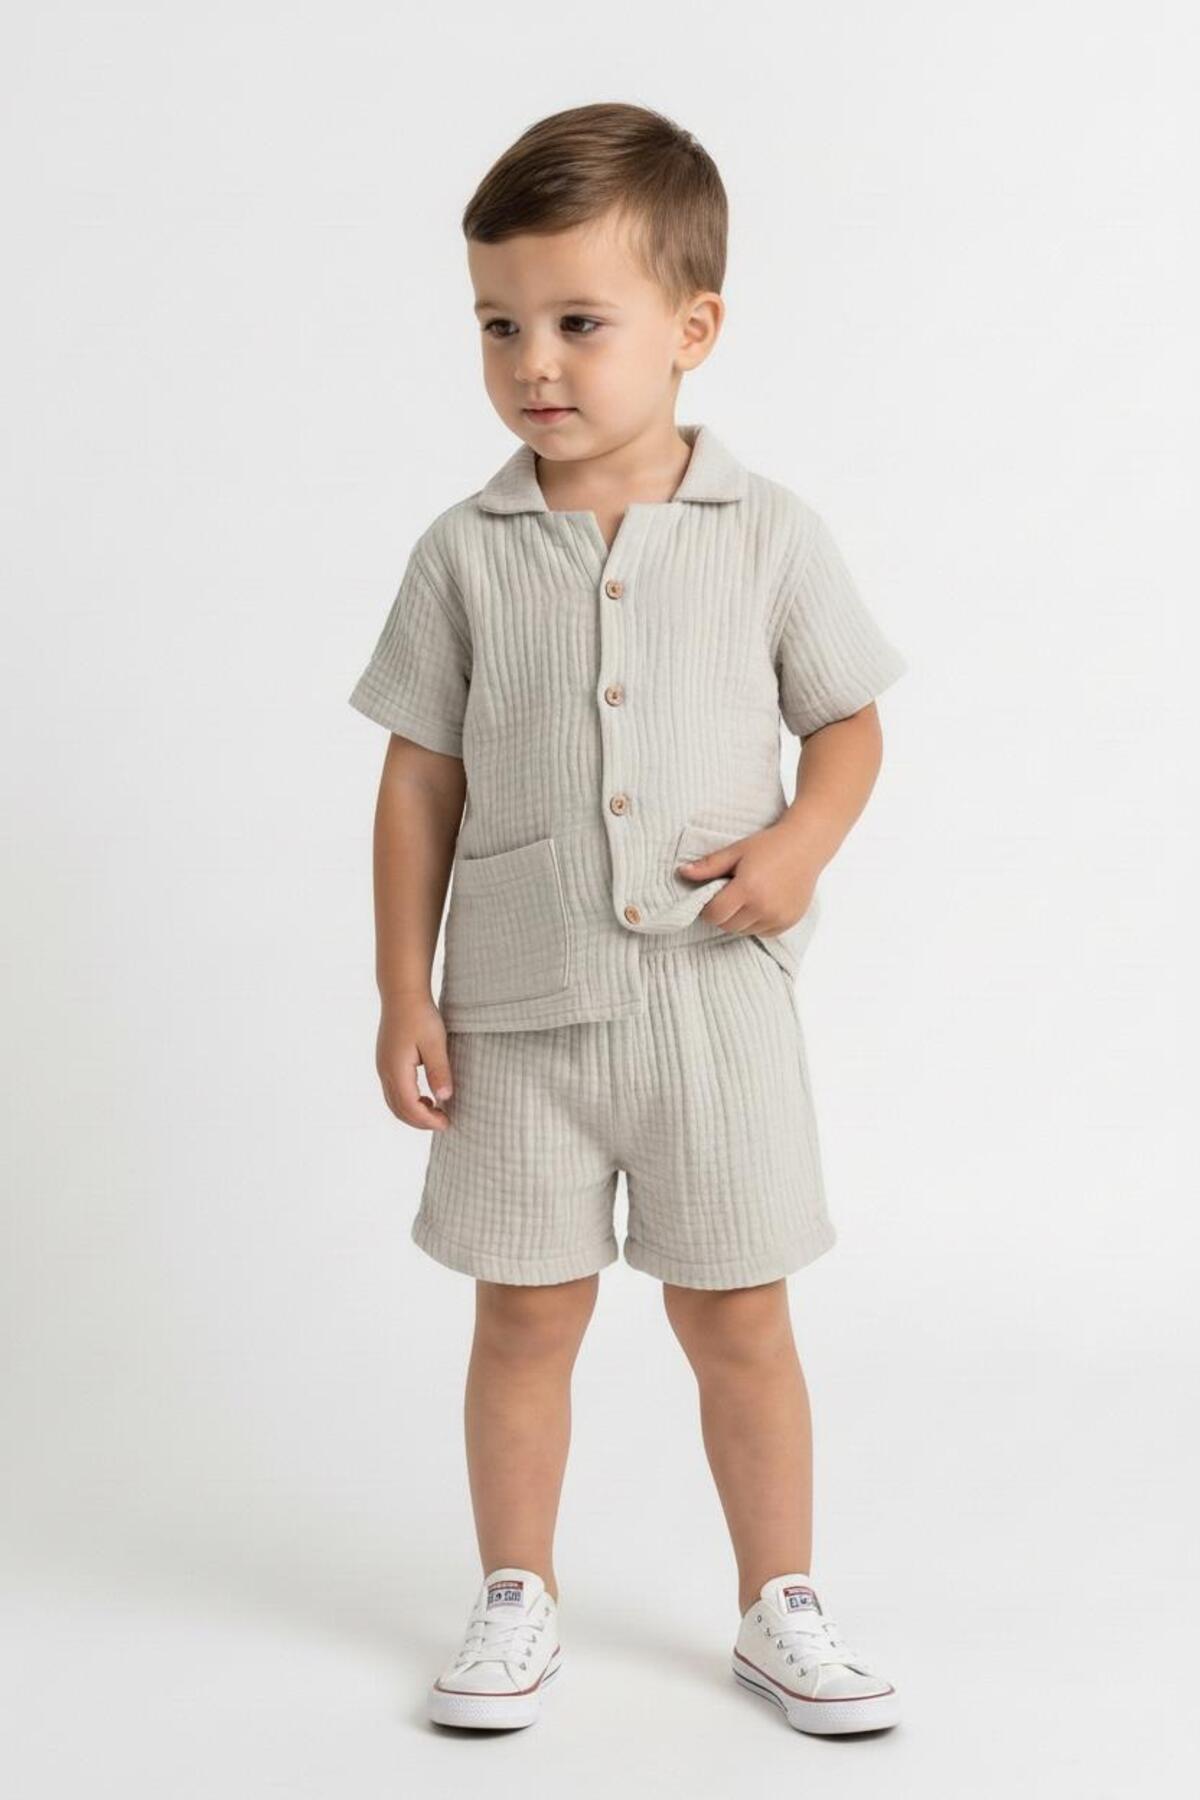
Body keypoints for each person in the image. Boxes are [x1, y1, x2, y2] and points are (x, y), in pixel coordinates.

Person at [348, 101, 907, 1738]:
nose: (534, 362)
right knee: (524, 1315)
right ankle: (514, 1590)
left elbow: (851, 722)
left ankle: (779, 1601)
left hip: (715, 1002)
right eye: (499, 324)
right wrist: (402, 990)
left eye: (579, 322)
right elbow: (418, 781)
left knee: (738, 1316)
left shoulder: (769, 533)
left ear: (692, 328)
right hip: (516, 1013)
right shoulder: (463, 553)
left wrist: (802, 842)